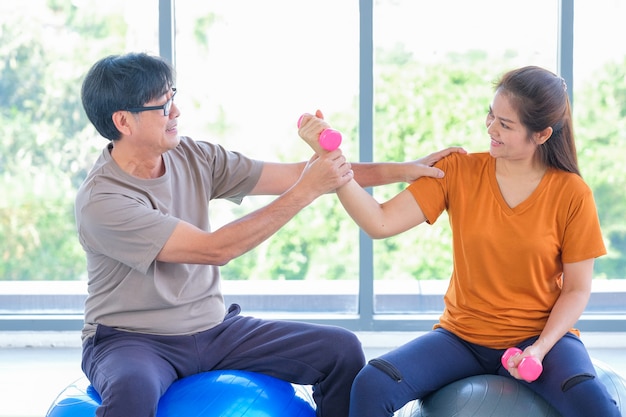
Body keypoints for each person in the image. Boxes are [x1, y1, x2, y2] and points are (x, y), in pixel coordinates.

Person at [75, 52, 461, 417]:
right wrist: (308, 189)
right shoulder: (103, 201)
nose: (175, 111)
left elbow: (297, 174)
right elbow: (216, 249)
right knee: (132, 389)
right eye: (162, 106)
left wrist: (403, 170)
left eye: (173, 96)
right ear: (123, 122)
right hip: (132, 339)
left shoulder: (192, 156)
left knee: (340, 350)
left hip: (214, 330)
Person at [299, 66, 620, 417]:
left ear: (541, 134)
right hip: (462, 338)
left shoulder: (571, 193)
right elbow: (380, 221)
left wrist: (540, 349)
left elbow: (576, 289)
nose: (491, 129)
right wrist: (332, 162)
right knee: (372, 383)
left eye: (505, 125)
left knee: (595, 405)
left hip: (540, 338)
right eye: (491, 115)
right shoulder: (458, 170)